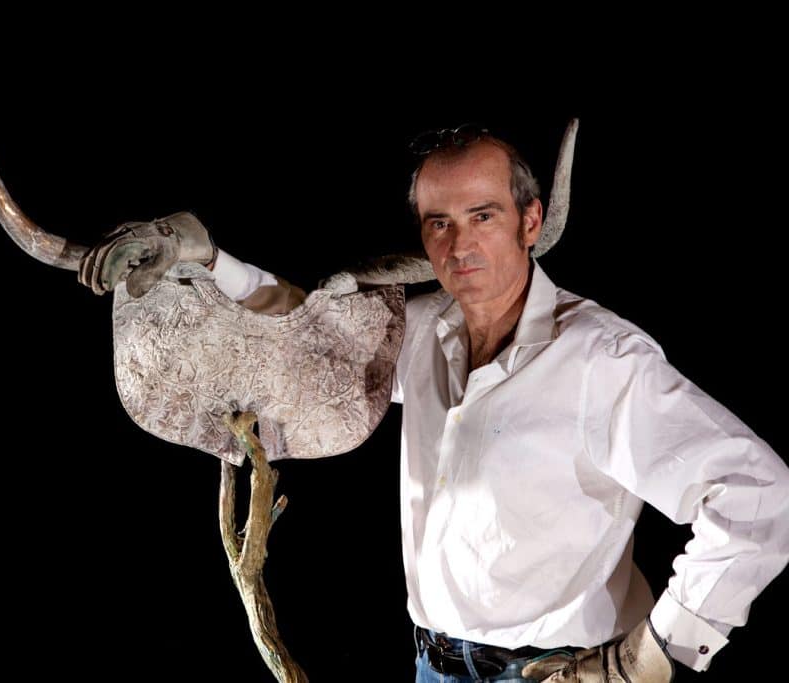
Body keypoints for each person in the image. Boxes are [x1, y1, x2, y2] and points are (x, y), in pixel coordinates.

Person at [80, 125, 789, 681]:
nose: (459, 244)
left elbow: (754, 490)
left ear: (531, 220)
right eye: (438, 222)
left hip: (556, 673)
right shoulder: (419, 331)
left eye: (483, 215)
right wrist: (206, 261)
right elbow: (303, 330)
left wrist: (654, 654)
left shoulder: (602, 360)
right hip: (432, 665)